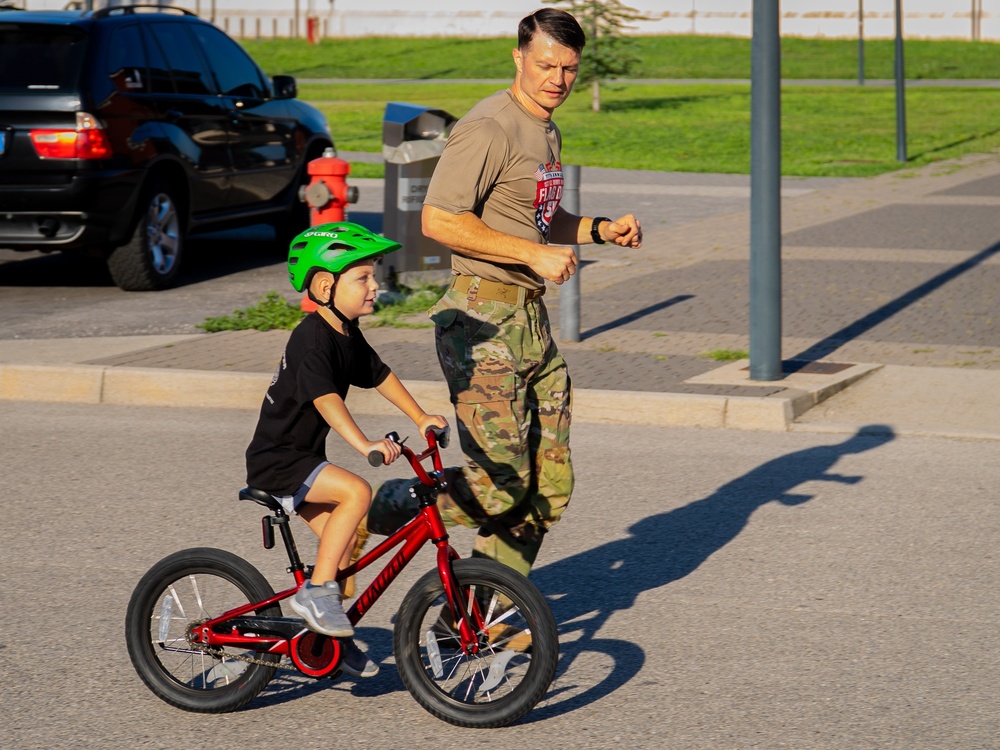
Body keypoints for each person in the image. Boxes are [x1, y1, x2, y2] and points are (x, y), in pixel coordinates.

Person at [366, 8, 642, 579]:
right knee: (497, 489)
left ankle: (479, 615)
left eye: (568, 69)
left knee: (549, 489)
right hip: (481, 319)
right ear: (518, 56)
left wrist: (600, 229)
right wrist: (533, 255)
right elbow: (439, 220)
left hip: (529, 322)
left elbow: (538, 217)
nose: (557, 80)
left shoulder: (544, 126)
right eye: (545, 65)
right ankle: (372, 514)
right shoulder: (488, 126)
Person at [245, 222, 448, 677]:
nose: (375, 285)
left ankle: (327, 640)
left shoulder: (346, 332)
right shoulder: (311, 338)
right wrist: (364, 445)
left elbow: (379, 375)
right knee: (357, 492)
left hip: (303, 458)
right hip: (278, 459)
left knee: (347, 551)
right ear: (324, 286)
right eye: (363, 278)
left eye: (373, 276)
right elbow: (326, 399)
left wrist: (420, 418)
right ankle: (316, 596)